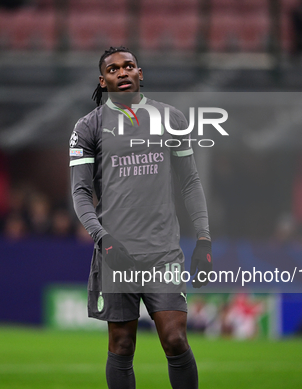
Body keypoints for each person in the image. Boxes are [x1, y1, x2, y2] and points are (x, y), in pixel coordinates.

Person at [70, 46, 212, 389]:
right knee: (121, 345)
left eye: (129, 66)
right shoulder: (88, 127)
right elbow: (80, 193)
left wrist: (204, 238)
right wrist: (102, 239)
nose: (122, 72)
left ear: (141, 74)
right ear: (102, 80)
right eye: (114, 69)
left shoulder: (171, 118)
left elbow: (190, 181)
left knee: (175, 339)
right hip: (115, 254)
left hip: (163, 251)